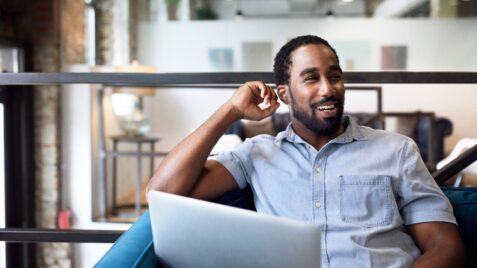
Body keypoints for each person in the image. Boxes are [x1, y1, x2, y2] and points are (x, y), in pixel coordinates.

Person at [147, 35, 465, 267]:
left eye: (335, 76)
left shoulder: (396, 150)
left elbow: (445, 247)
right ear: (284, 94)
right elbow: (160, 193)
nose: (328, 88)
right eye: (311, 78)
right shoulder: (256, 155)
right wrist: (231, 110)